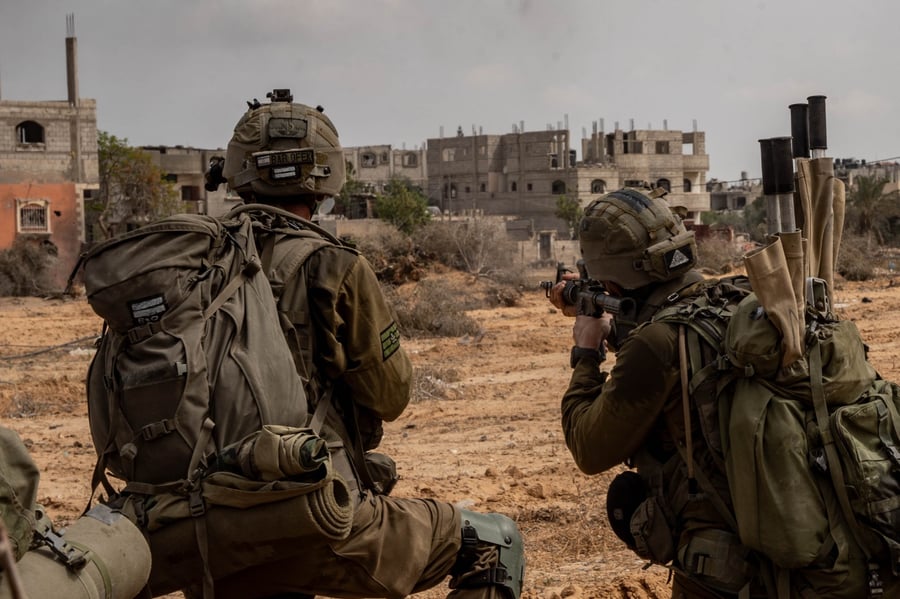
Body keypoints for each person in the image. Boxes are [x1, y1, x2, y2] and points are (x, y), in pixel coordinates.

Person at [197, 88, 524, 599]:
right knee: (495, 542)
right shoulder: (334, 266)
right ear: (326, 176)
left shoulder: (194, 264)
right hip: (309, 513)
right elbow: (391, 395)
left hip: (201, 524)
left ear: (236, 172)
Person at [548, 188, 897, 598]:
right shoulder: (743, 302)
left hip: (725, 571)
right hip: (824, 547)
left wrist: (586, 351)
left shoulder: (657, 343)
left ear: (612, 277)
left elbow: (589, 448)